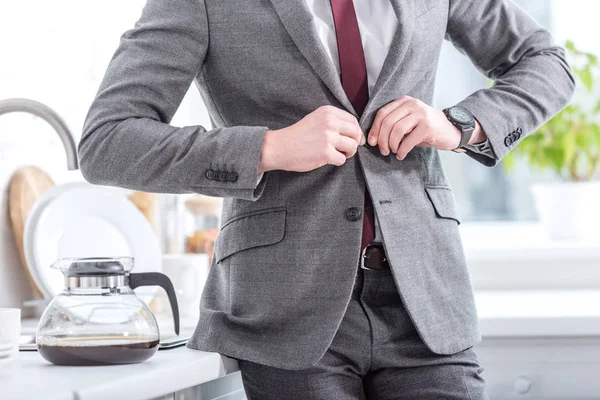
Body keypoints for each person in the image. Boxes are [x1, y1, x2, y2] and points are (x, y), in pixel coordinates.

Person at [79, 0, 574, 398]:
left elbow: (546, 64)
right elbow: (108, 141)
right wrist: (268, 148)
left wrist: (459, 124)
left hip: (426, 301)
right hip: (286, 311)